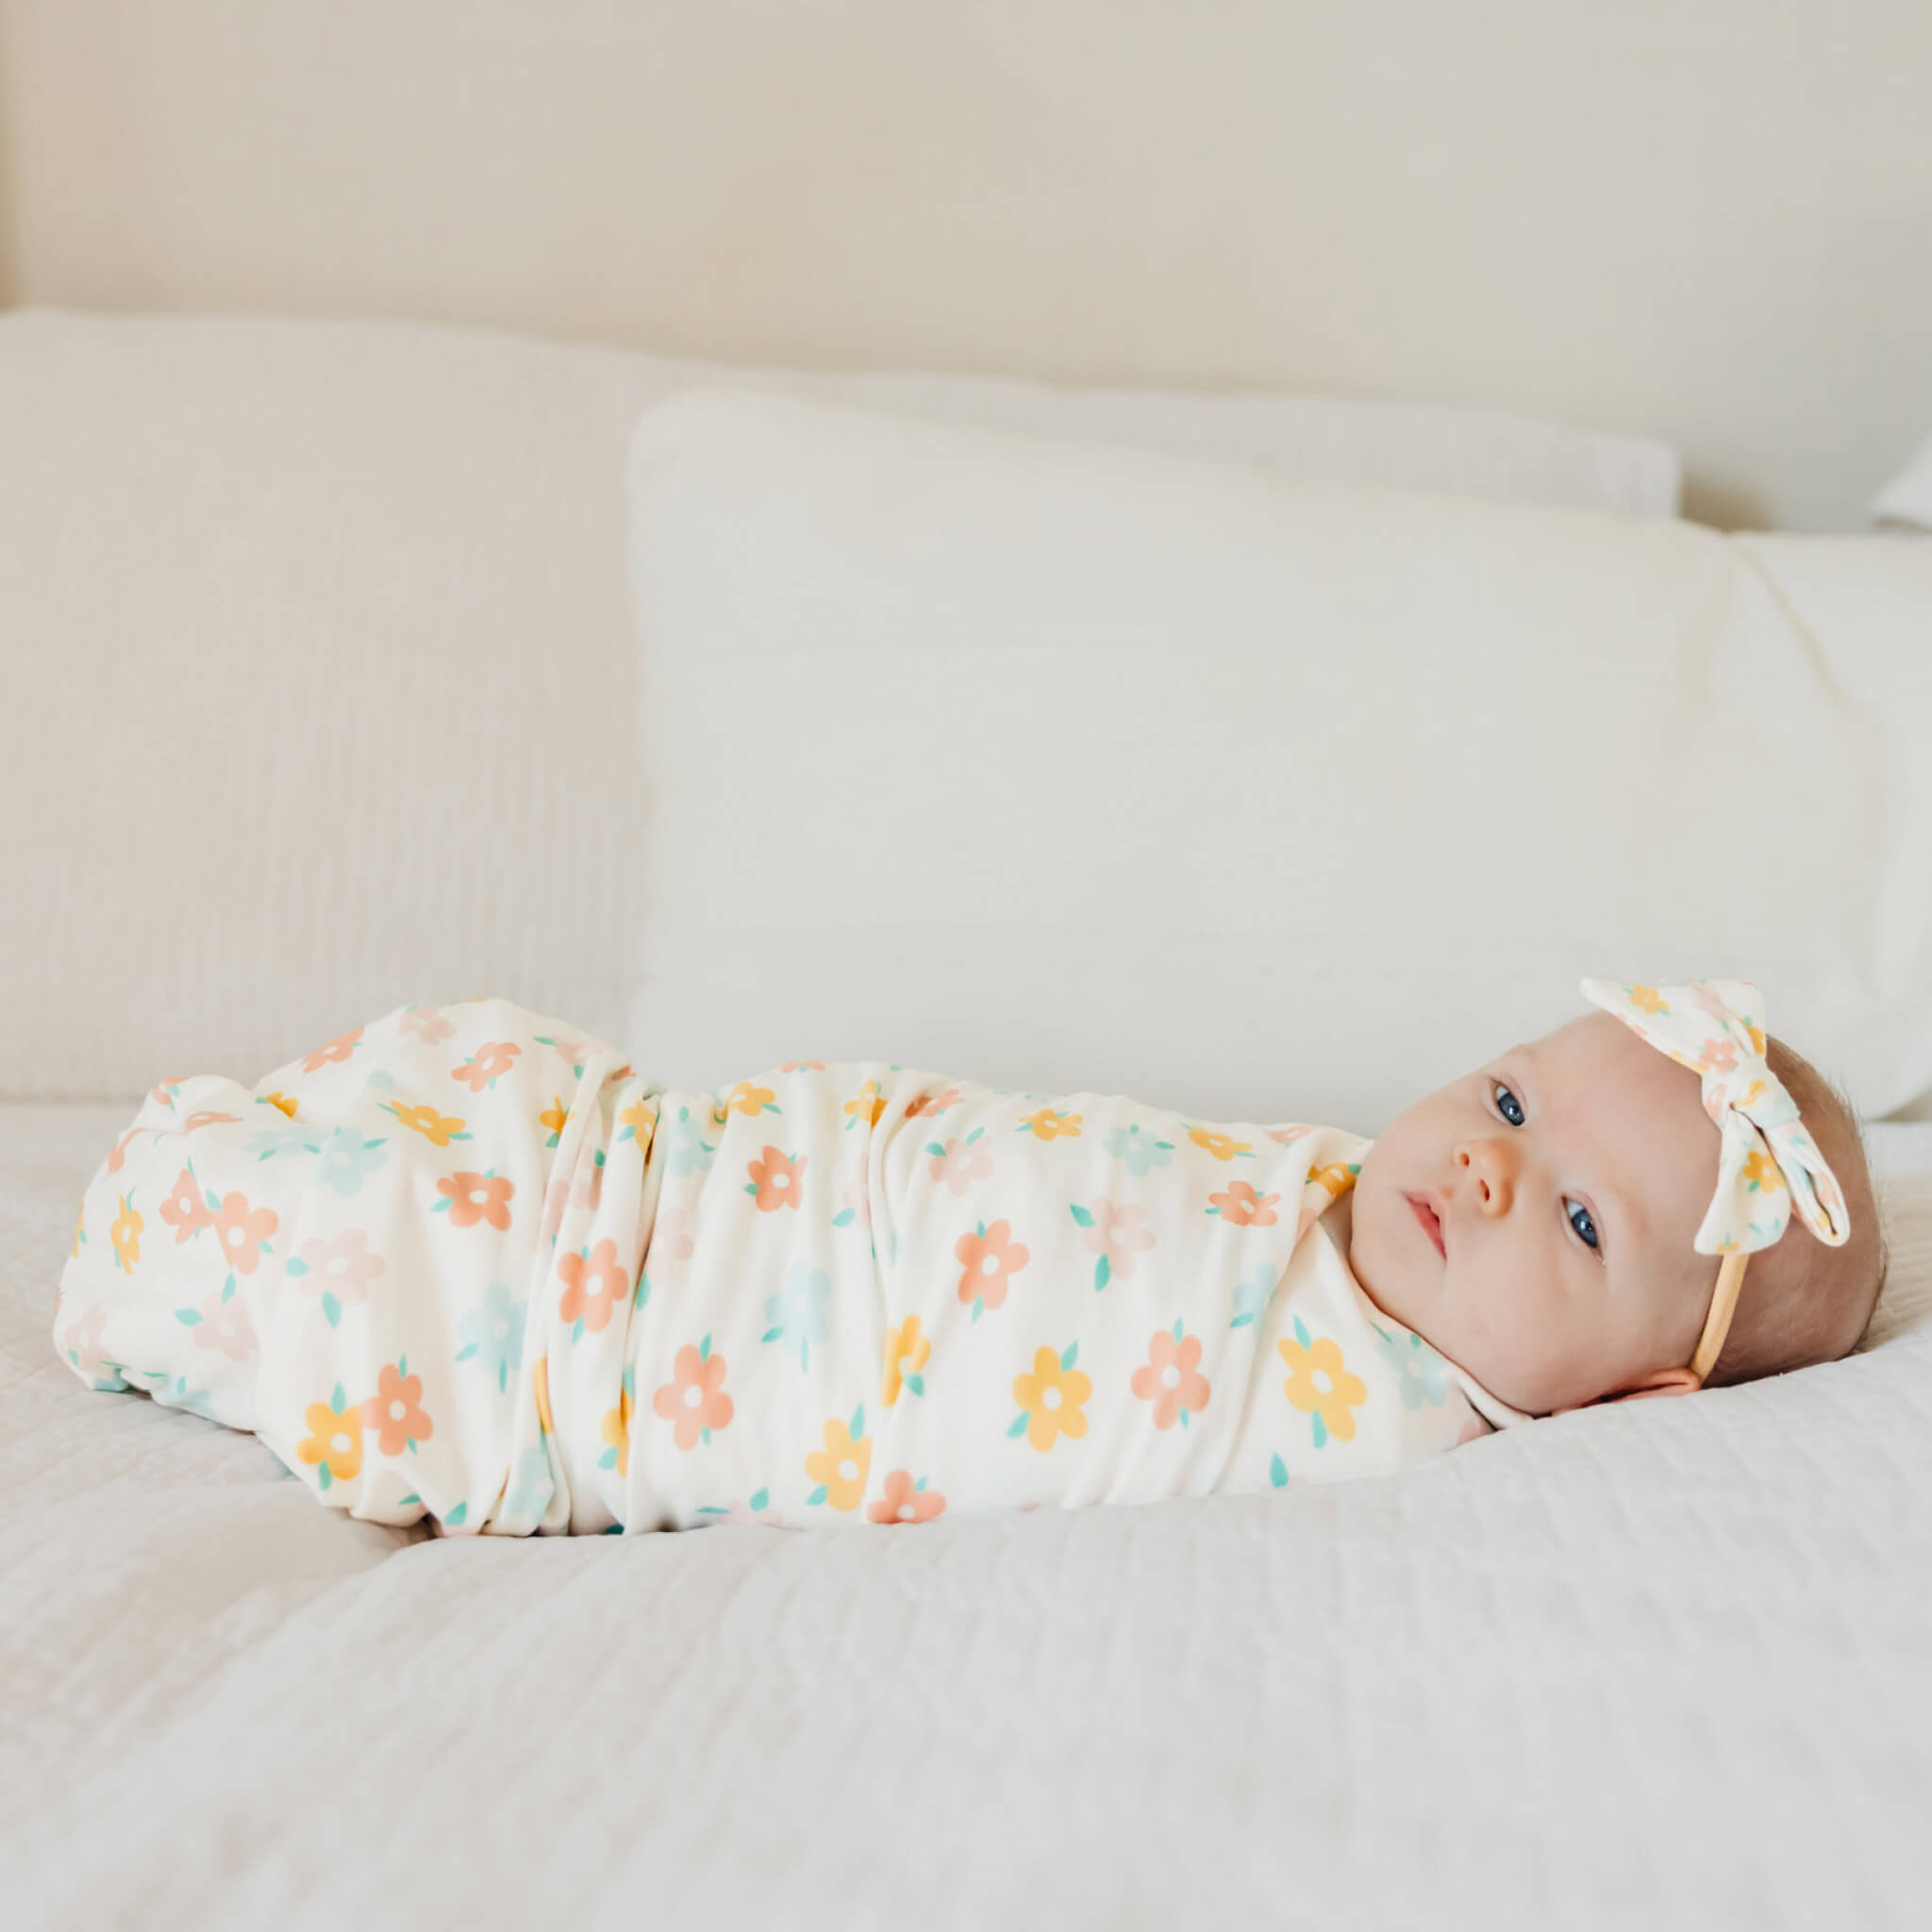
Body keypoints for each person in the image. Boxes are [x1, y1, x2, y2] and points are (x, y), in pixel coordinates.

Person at [52, 979, 1883, 1535]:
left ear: (1641, 1396)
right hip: (734, 1182)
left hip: (680, 1337)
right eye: (1508, 1099)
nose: (1487, 1168)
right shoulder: (1342, 1190)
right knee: (504, 1123)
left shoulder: (1400, 1440)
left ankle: (236, 1233)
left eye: (1578, 1219)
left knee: (403, 1270)